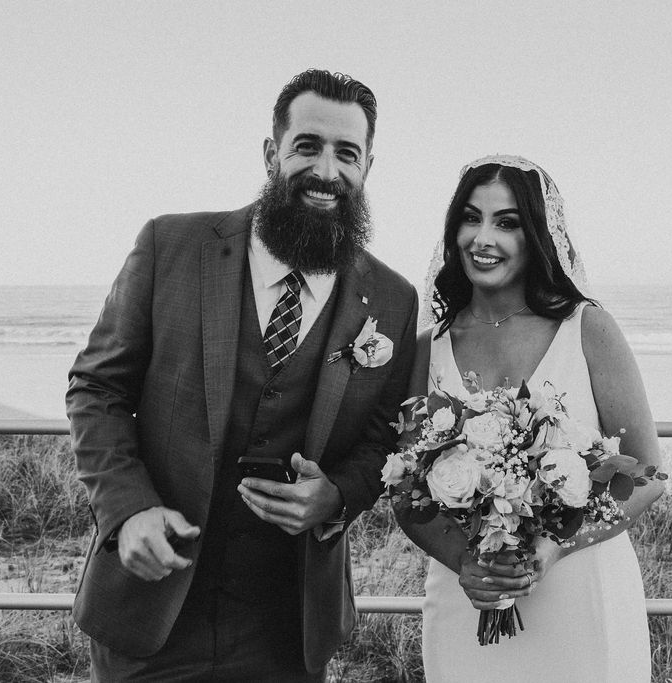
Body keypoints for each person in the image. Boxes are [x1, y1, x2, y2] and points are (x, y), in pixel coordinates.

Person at [66, 69, 419, 681]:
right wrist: (129, 512)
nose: (326, 171)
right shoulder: (169, 245)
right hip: (150, 611)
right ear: (270, 152)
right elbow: (97, 389)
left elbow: (386, 437)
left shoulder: (392, 297)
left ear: (367, 168)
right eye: (307, 146)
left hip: (288, 627)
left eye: (347, 154)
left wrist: (335, 496)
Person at [400, 155, 664, 682]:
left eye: (507, 222)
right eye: (471, 218)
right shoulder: (427, 349)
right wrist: (466, 565)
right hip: (465, 600)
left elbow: (648, 476)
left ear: (537, 234)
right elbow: (406, 491)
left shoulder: (588, 329)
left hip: (579, 596)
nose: (483, 238)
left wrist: (554, 546)